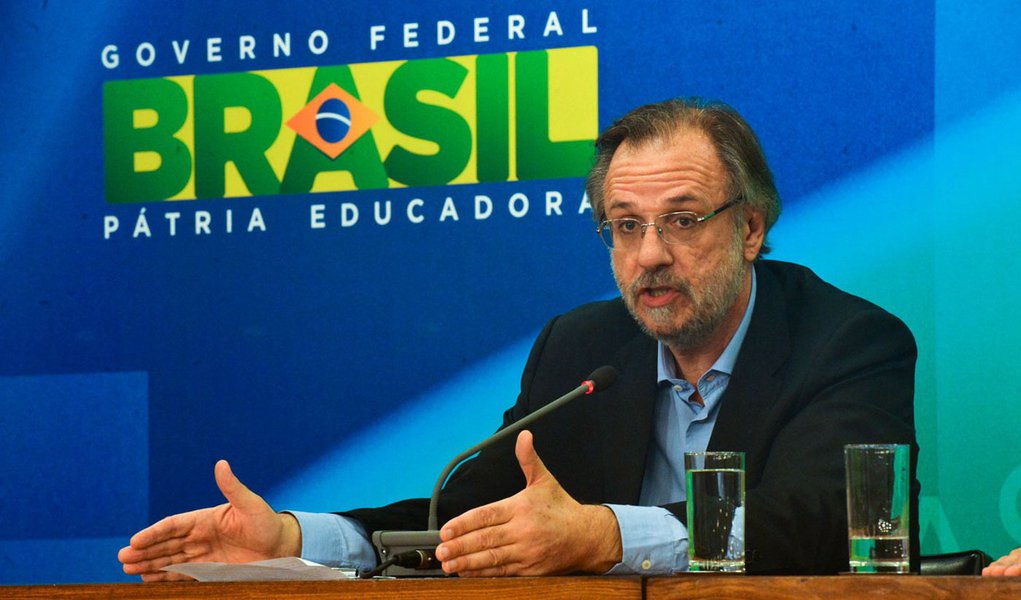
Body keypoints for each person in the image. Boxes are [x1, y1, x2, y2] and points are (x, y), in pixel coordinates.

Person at [119, 98, 920, 580]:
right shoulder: (582, 348)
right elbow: (471, 516)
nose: (648, 255)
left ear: (749, 227)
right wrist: (297, 538)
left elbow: (823, 522)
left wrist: (600, 535)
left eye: (681, 220)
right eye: (624, 227)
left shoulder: (847, 342)